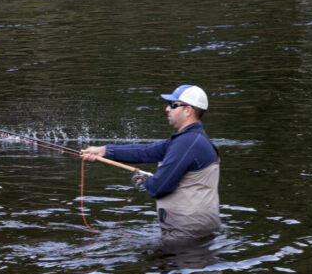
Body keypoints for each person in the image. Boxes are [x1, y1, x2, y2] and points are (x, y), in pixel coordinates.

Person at [81, 84, 220, 241]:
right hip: (198, 229)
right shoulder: (192, 139)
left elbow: (159, 187)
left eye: (173, 104)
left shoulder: (187, 143)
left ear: (188, 110)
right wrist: (105, 151)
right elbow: (146, 151)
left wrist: (144, 181)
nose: (167, 108)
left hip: (187, 234)